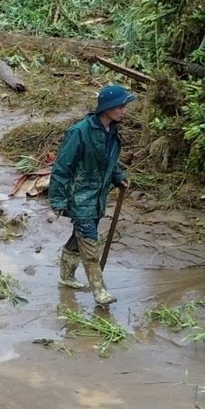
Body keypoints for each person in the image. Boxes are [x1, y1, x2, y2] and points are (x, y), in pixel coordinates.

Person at [47, 84, 134, 305]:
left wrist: (118, 176)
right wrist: (57, 200)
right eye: (121, 106)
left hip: (97, 196)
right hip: (79, 196)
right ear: (108, 107)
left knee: (80, 236)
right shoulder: (79, 132)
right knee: (89, 241)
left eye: (125, 106)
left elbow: (109, 162)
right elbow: (62, 168)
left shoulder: (111, 132)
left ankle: (66, 276)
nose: (124, 111)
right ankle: (100, 291)